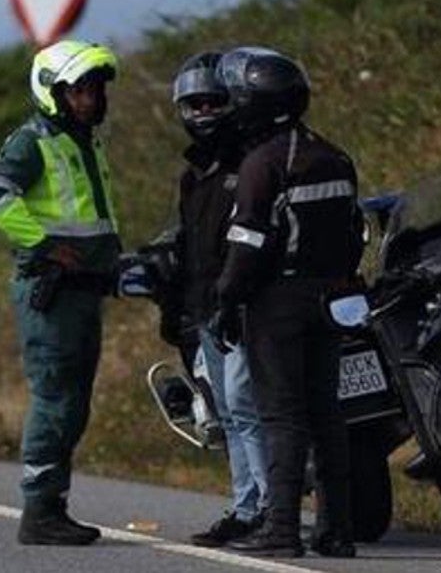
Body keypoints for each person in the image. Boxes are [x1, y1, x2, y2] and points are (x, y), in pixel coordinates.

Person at [210, 47, 363, 558]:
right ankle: (337, 530)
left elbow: (248, 243)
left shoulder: (263, 164)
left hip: (279, 303)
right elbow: (355, 232)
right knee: (327, 412)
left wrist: (227, 300)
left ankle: (280, 529)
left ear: (251, 104)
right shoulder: (334, 156)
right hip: (334, 296)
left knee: (282, 416)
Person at [0, 39, 122, 546]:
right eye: (80, 90)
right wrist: (42, 245)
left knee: (74, 403)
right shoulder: (33, 141)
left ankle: (51, 505)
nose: (91, 99)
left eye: (95, 89)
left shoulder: (84, 141)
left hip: (85, 291)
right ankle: (39, 512)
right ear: (52, 92)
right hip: (52, 293)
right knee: (57, 398)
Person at [168, 51, 270, 547]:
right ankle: (246, 505)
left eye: (213, 102)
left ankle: (268, 510)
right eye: (194, 104)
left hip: (245, 308)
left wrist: (236, 297)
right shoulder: (193, 175)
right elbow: (191, 247)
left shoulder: (251, 163)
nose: (204, 112)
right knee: (228, 413)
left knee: (249, 409)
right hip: (207, 308)